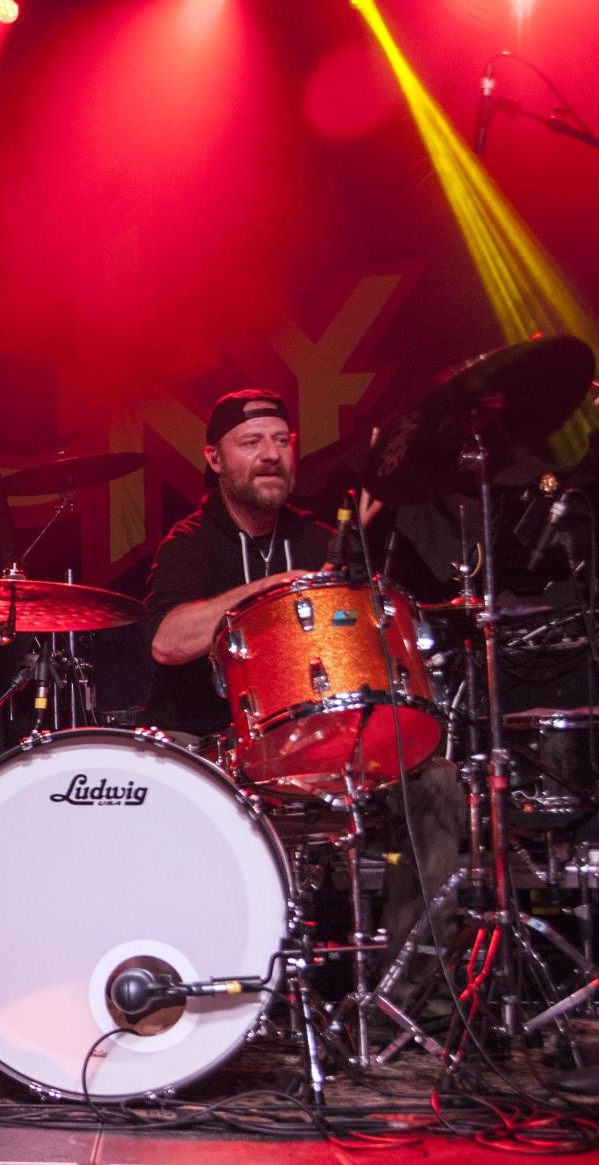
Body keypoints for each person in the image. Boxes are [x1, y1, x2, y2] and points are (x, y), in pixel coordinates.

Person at [141, 390, 463, 984]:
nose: (271, 455)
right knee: (167, 774)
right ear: (215, 459)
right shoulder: (190, 542)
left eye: (281, 442)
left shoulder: (321, 539)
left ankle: (413, 996)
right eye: (251, 443)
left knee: (437, 781)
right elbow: (167, 640)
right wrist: (275, 589)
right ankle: (198, 977)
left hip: (326, 745)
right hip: (219, 751)